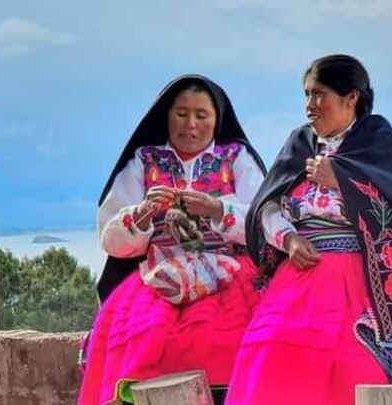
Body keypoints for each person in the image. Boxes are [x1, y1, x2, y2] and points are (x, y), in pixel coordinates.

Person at [225, 54, 392, 404]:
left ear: (351, 98)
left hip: (362, 280)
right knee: (273, 356)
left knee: (353, 366)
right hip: (297, 276)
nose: (310, 106)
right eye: (307, 95)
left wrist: (342, 181)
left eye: (319, 95)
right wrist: (290, 237)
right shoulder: (299, 144)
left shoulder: (379, 142)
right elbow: (266, 205)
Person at [79, 74, 267, 404]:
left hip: (232, 276)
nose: (190, 125)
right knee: (146, 346)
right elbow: (111, 239)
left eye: (201, 115)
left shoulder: (237, 160)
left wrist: (216, 208)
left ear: (216, 119)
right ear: (166, 115)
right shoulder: (143, 162)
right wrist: (142, 214)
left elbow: (263, 222)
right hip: (157, 277)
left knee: (236, 346)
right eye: (181, 114)